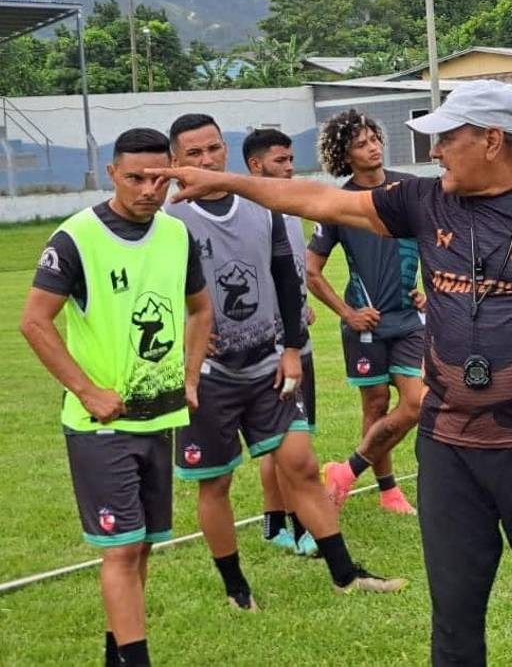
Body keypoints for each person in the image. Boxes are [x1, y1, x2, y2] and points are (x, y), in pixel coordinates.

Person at [149, 81, 512, 667]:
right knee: (454, 616)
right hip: (449, 449)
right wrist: (228, 182)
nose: (434, 152)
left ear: (491, 140)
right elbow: (318, 201)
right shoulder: (425, 201)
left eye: (446, 139)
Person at [167, 114, 405, 608]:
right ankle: (237, 589)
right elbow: (151, 293)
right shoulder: (169, 219)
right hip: (209, 375)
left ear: (227, 150)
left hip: (269, 364)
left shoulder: (263, 204)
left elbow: (286, 276)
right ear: (175, 161)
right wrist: (182, 343)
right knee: (217, 482)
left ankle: (345, 574)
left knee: (302, 463)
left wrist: (292, 350)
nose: (207, 159)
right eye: (194, 153)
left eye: (214, 148)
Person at [20, 128, 212, 667]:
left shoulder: (176, 235)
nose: (148, 190)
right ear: (112, 174)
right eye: (135, 178)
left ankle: (117, 654)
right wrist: (86, 391)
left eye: (159, 178)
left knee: (142, 543)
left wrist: (190, 378)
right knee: (123, 547)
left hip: (160, 419)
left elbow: (201, 309)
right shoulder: (75, 238)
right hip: (100, 426)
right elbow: (34, 322)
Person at [304, 110, 422, 514]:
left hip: (409, 321)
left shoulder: (409, 190)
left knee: (418, 402)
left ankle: (346, 471)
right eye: (360, 144)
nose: (372, 147)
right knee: (375, 405)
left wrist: (430, 292)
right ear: (345, 155)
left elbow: (442, 240)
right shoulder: (339, 203)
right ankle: (389, 491)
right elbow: (311, 271)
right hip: (365, 325)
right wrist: (348, 313)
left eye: (374, 139)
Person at [241, 129, 319, 555]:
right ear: (256, 166)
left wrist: (301, 306)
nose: (290, 168)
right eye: (280, 161)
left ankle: (277, 524)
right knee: (284, 439)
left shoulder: (291, 207)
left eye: (291, 160)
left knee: (293, 437)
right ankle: (298, 526)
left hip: (297, 339)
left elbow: (291, 273)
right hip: (272, 347)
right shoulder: (248, 212)